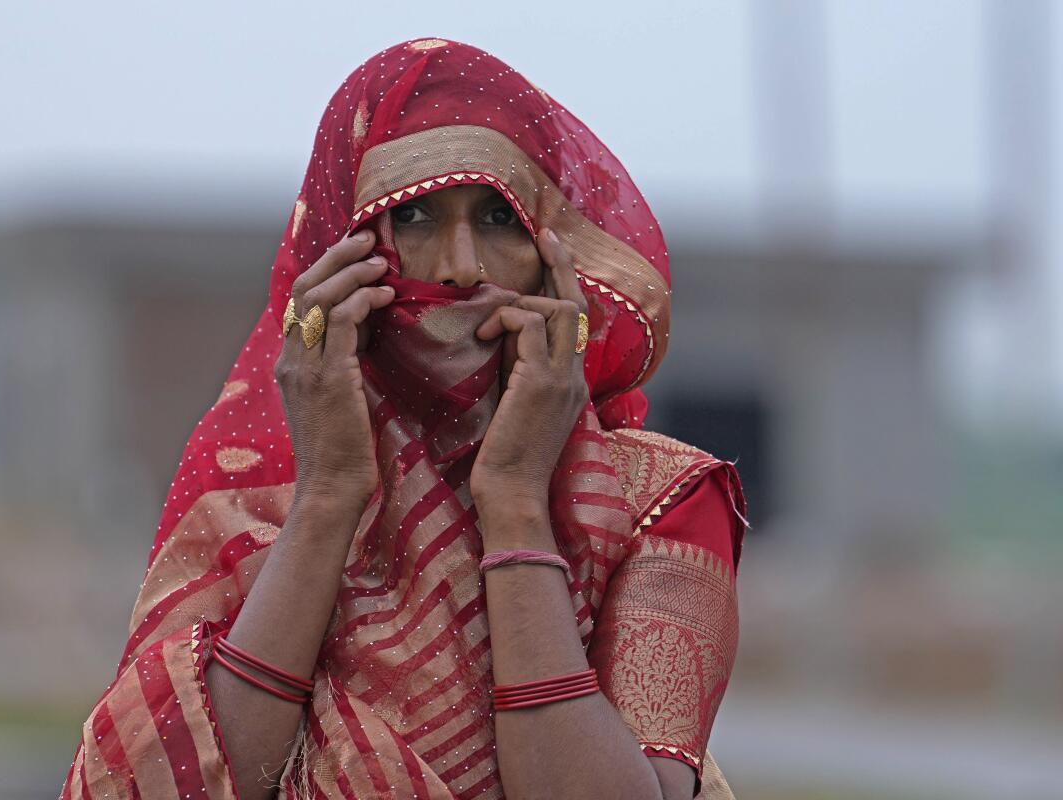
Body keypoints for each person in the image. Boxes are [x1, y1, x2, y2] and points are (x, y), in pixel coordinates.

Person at [60, 37, 748, 800]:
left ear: (556, 257)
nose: (460, 267)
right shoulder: (257, 485)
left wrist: (517, 503)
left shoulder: (659, 501)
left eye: (498, 217)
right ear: (341, 248)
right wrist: (329, 498)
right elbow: (179, 785)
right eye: (414, 215)